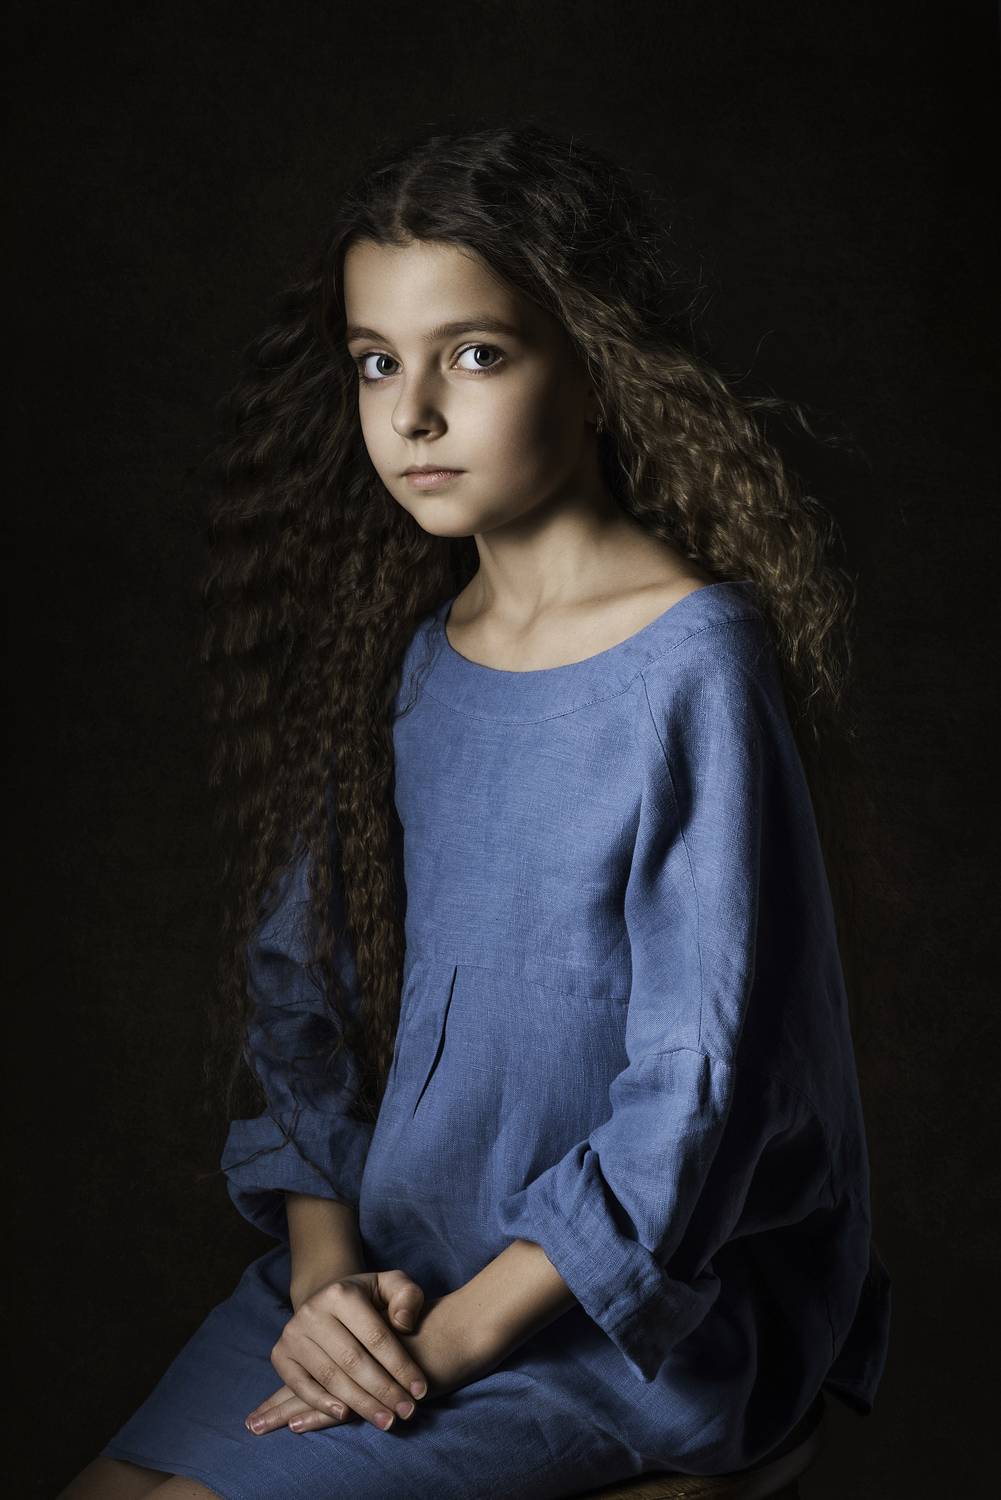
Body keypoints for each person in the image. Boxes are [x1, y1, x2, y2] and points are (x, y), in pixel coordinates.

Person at [60, 121, 891, 1500]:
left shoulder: (689, 660)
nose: (414, 415)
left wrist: (436, 1350)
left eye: (477, 355)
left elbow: (700, 1090)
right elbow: (304, 1003)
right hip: (392, 1277)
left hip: (612, 1317)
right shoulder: (412, 664)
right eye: (378, 361)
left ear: (598, 368)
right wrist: (330, 1288)